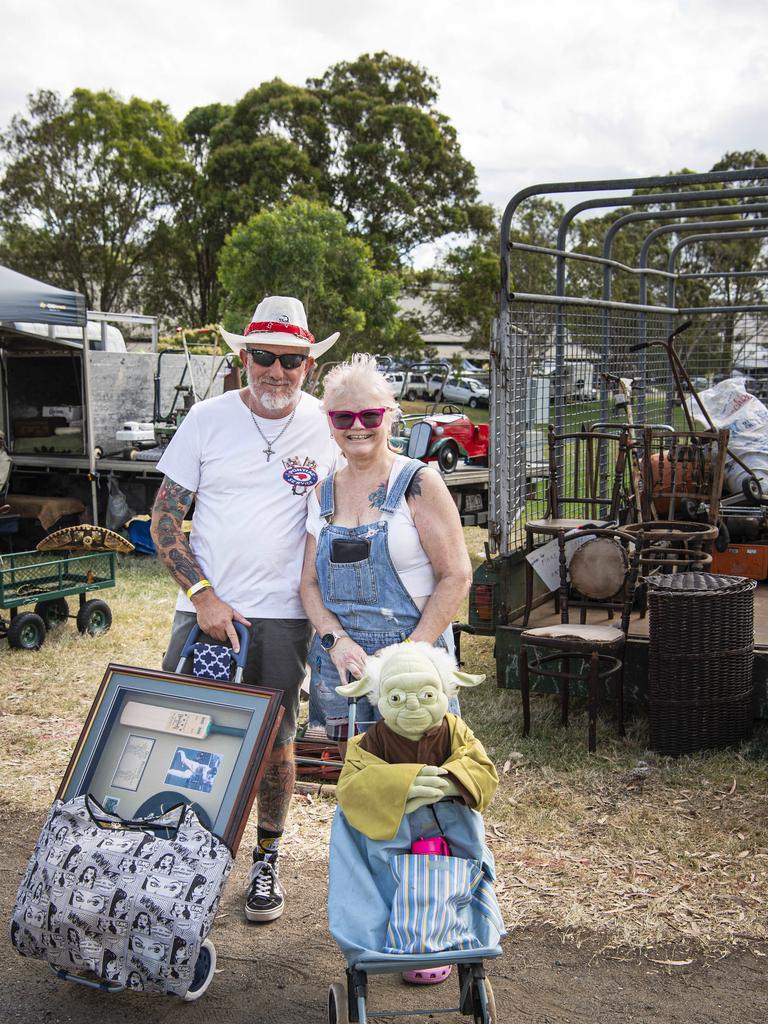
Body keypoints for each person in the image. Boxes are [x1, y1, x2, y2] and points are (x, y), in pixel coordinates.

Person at [150, 295, 339, 925]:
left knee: (276, 745)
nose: (277, 371)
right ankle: (187, 853)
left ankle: (266, 860)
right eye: (265, 356)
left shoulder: (327, 425)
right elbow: (164, 516)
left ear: (308, 365)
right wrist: (202, 595)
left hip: (285, 617)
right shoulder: (206, 419)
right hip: (207, 611)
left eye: (291, 360)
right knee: (190, 733)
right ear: (243, 356)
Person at [300, 353, 473, 750]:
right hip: (345, 667)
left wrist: (408, 655)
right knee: (358, 783)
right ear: (330, 423)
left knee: (424, 781)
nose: (357, 427)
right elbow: (309, 584)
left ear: (390, 415)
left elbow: (457, 575)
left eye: (370, 416)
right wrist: (336, 642)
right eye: (343, 418)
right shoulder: (321, 494)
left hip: (412, 666)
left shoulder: (419, 483)